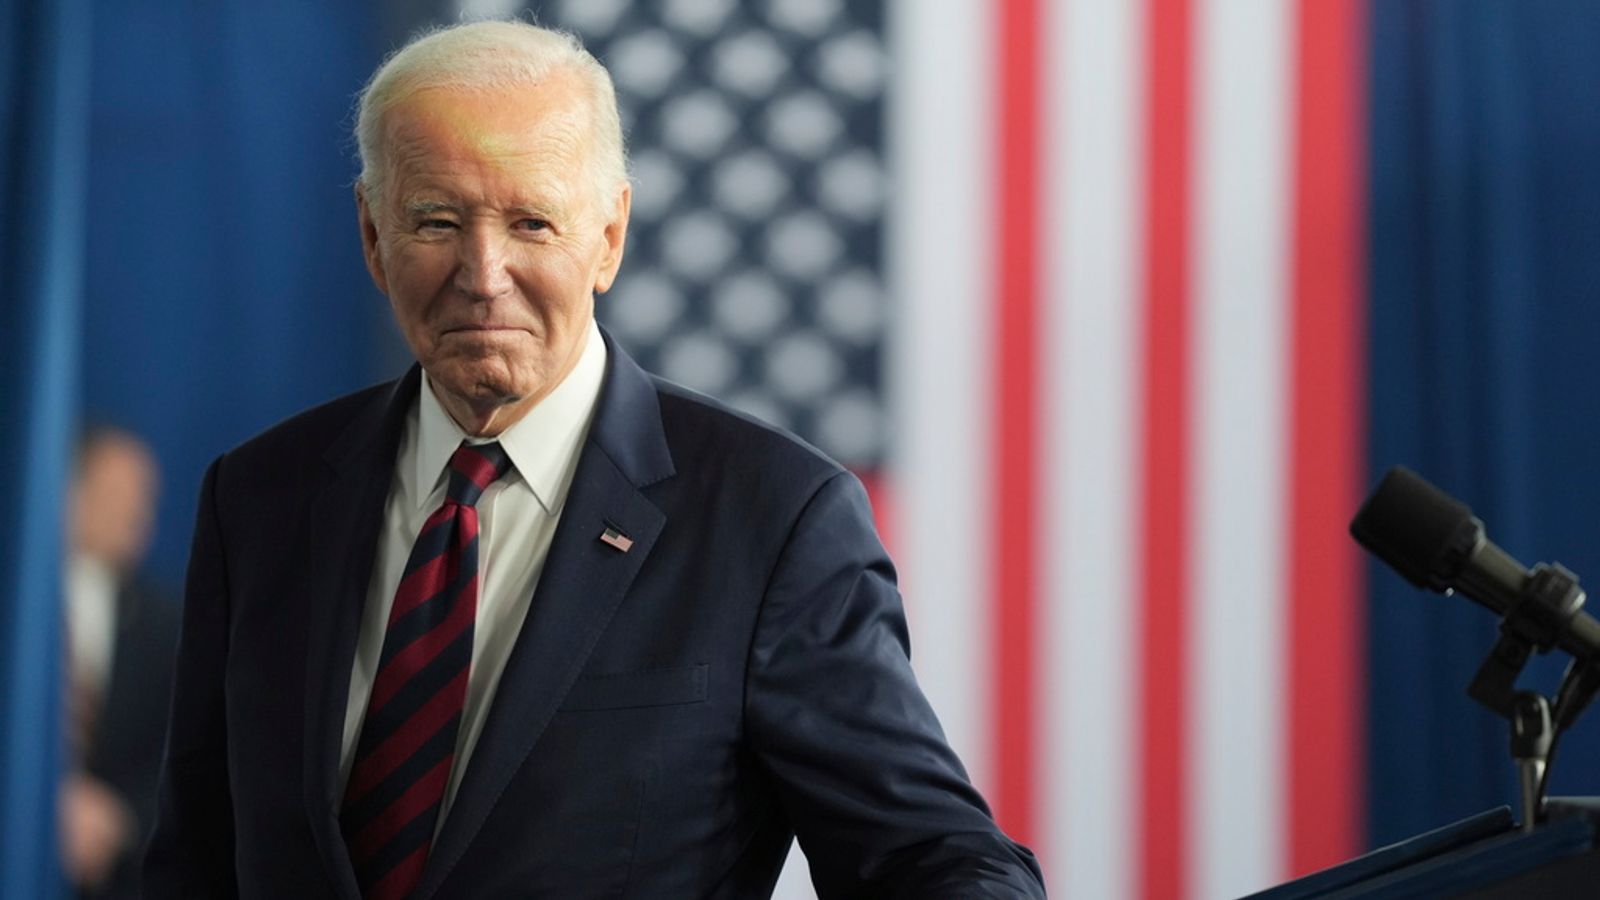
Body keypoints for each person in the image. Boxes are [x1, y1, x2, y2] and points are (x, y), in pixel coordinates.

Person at [143, 19, 1044, 899]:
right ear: (374, 238)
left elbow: (935, 860)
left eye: (532, 222)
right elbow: (195, 858)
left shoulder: (773, 518)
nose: (483, 272)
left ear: (608, 237)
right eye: (436, 220)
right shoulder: (259, 497)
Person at [63, 426, 179, 899]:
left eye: (146, 495)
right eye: (118, 492)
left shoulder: (166, 622)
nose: (137, 511)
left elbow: (183, 754)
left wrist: (116, 818)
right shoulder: (18, 608)